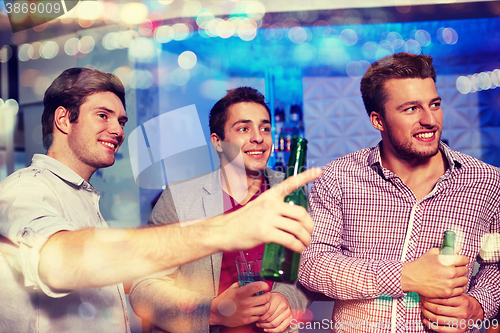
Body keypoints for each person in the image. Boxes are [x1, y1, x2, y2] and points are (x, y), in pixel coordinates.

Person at [0, 68, 320, 333]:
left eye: (121, 121)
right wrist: (224, 236)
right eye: (103, 115)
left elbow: (312, 267)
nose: (117, 130)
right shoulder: (24, 190)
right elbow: (59, 263)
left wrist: (286, 299)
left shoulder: (82, 196)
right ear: (63, 120)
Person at [299, 53, 500, 332]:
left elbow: (496, 265)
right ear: (378, 120)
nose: (430, 119)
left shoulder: (487, 181)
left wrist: (479, 304)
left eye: (435, 104)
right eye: (411, 109)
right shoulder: (338, 177)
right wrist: (406, 276)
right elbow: (312, 265)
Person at [129, 87, 312, 333]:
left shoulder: (291, 192)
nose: (258, 137)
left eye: (265, 128)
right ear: (218, 142)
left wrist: (287, 299)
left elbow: (309, 268)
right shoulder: (180, 198)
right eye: (243, 128)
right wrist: (213, 311)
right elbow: (144, 287)